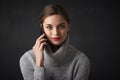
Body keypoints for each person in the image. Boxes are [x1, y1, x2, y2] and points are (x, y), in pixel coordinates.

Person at [19, 4, 90, 80]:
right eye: (49, 27)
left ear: (68, 26)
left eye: (61, 26)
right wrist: (39, 64)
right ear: (42, 27)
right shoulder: (27, 59)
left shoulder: (81, 61)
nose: (56, 33)